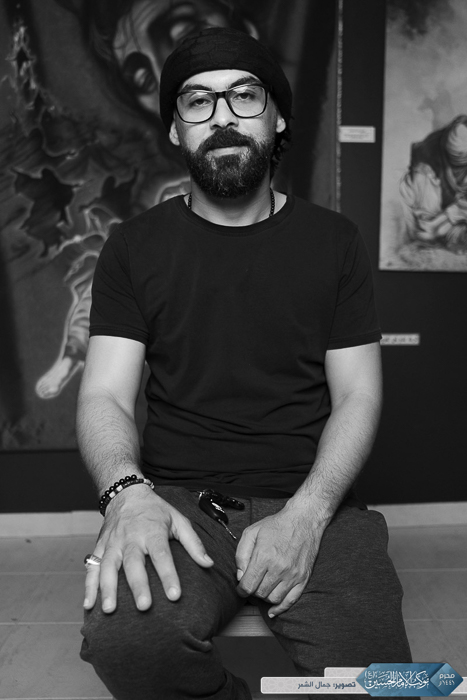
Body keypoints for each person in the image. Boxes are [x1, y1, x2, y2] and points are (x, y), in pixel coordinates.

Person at [77, 26, 413, 700]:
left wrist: (308, 516)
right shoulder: (134, 247)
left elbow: (359, 395)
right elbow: (104, 395)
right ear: (175, 129)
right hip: (178, 500)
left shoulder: (334, 242)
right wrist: (128, 495)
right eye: (197, 101)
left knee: (386, 687)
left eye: (244, 95)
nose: (222, 117)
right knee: (125, 641)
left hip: (314, 496)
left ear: (277, 117)